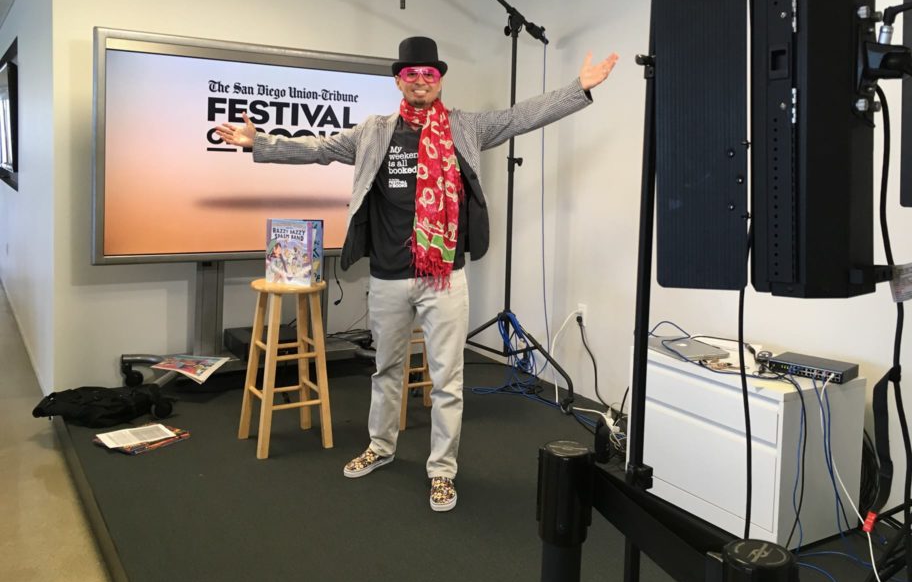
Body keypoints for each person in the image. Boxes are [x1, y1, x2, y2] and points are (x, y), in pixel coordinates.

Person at [216, 36, 618, 512]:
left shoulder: (464, 127)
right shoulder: (373, 131)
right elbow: (319, 147)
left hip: (444, 275)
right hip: (388, 275)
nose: (421, 81)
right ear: (398, 81)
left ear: (439, 79)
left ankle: (442, 470)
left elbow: (520, 116)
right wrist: (259, 143)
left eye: (429, 74)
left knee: (447, 379)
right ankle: (380, 447)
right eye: (412, 74)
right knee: (386, 370)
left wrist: (579, 89)